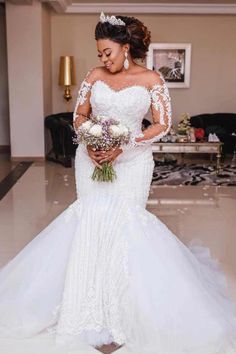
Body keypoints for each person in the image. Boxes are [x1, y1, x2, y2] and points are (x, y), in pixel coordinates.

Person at [0, 12, 236, 354]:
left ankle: (123, 312)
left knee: (126, 224)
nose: (102, 59)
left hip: (133, 161)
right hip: (91, 159)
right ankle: (83, 309)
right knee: (91, 222)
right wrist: (92, 142)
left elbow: (162, 124)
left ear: (125, 48)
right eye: (99, 54)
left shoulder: (152, 79)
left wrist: (124, 146)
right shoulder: (93, 76)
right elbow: (79, 116)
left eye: (107, 52)